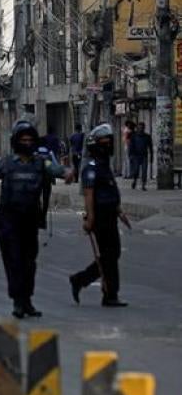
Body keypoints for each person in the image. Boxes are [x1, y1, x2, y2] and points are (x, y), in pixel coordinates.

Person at [0, 120, 69, 319]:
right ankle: (18, 302)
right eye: (23, 140)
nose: (27, 143)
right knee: (14, 261)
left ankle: (27, 300)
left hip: (30, 221)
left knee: (29, 263)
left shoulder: (40, 162)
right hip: (8, 221)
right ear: (16, 141)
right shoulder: (6, 163)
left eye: (30, 140)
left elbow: (57, 170)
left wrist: (68, 173)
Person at [69, 124, 130, 307]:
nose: (108, 144)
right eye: (104, 141)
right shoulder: (91, 167)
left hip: (110, 215)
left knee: (111, 254)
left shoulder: (104, 165)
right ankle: (109, 294)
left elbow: (110, 191)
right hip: (100, 217)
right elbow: (89, 194)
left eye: (109, 141)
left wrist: (120, 212)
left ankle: (81, 280)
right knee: (110, 254)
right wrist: (90, 218)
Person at [127, 122, 153, 190]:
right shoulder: (134, 136)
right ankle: (135, 181)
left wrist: (151, 157)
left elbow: (150, 147)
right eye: (139, 128)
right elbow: (131, 146)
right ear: (137, 128)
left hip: (144, 156)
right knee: (136, 171)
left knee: (144, 171)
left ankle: (143, 185)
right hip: (136, 156)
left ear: (144, 128)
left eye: (142, 128)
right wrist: (130, 155)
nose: (141, 129)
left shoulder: (147, 136)